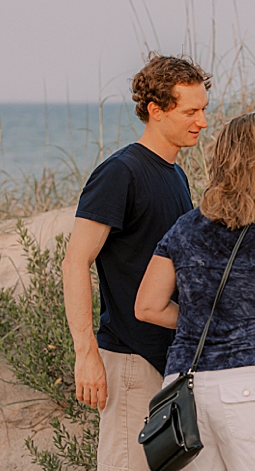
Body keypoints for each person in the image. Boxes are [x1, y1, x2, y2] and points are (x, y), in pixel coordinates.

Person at [134, 111, 255, 471]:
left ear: (219, 160)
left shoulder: (186, 228)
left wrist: (205, 321)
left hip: (186, 389)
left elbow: (147, 306)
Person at [63, 55, 207, 471]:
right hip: (129, 361)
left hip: (170, 361)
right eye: (190, 111)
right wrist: (85, 354)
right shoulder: (120, 173)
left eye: (203, 110)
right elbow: (76, 262)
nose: (200, 121)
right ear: (156, 111)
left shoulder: (175, 175)